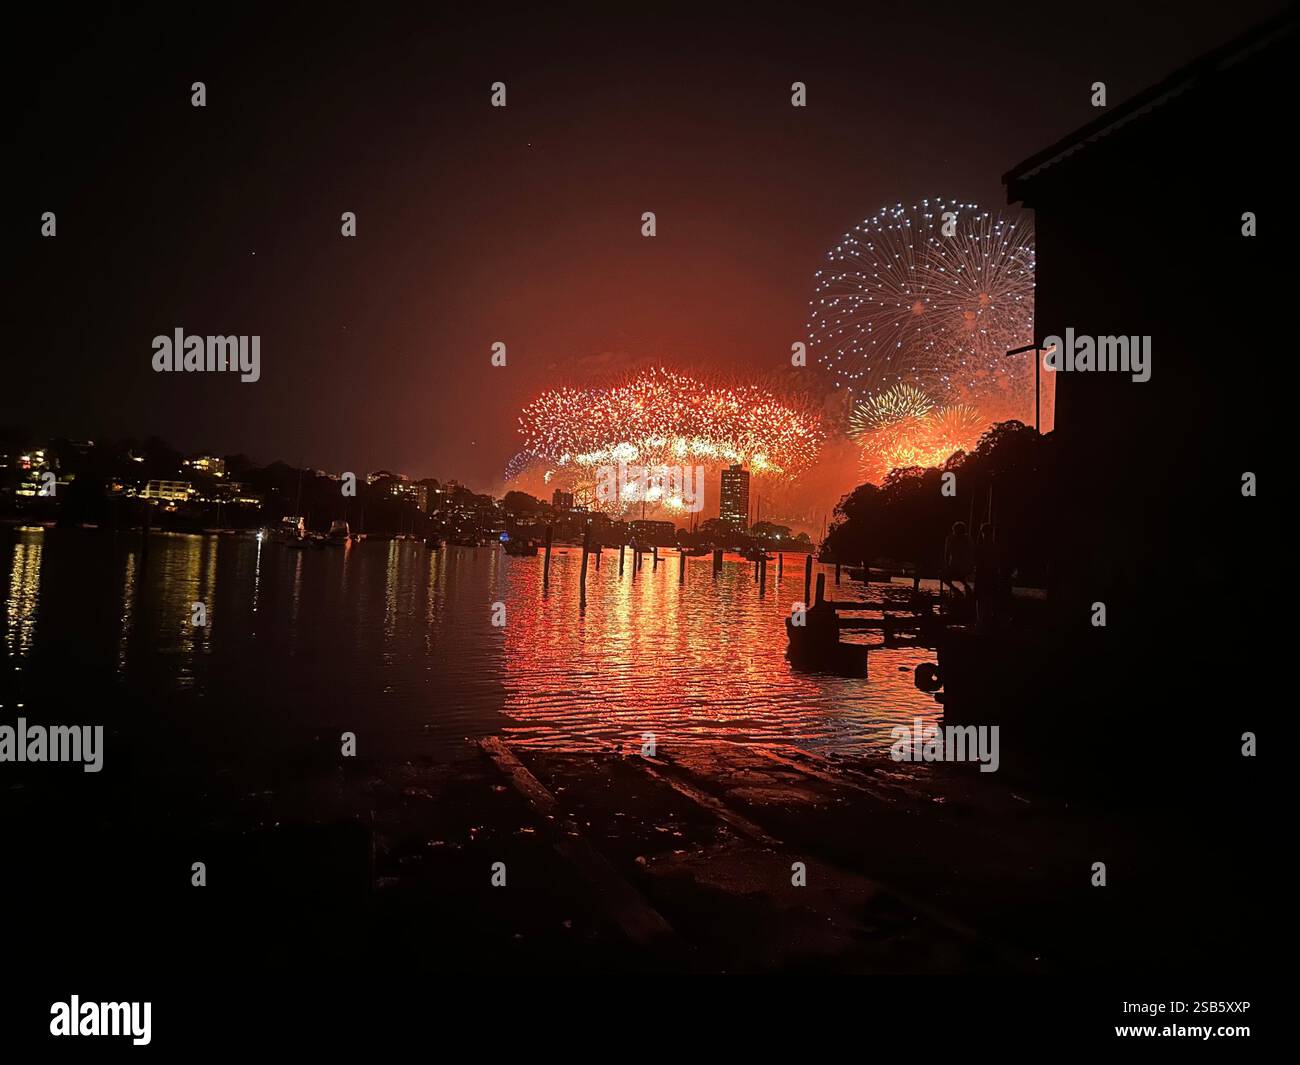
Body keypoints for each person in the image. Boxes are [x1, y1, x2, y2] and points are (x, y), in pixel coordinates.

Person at [975, 522, 1001, 627]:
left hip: (984, 573)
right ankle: (986, 618)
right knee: (988, 596)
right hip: (990, 573)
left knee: (982, 596)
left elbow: (977, 561)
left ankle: (982, 619)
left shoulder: (981, 546)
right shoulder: (994, 546)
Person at [944, 521, 974, 599]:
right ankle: (958, 589)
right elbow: (947, 553)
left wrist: (971, 564)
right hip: (954, 564)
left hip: (963, 564)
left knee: (955, 575)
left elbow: (971, 552)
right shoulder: (951, 539)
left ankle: (962, 589)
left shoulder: (967, 539)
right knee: (946, 577)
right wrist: (946, 564)